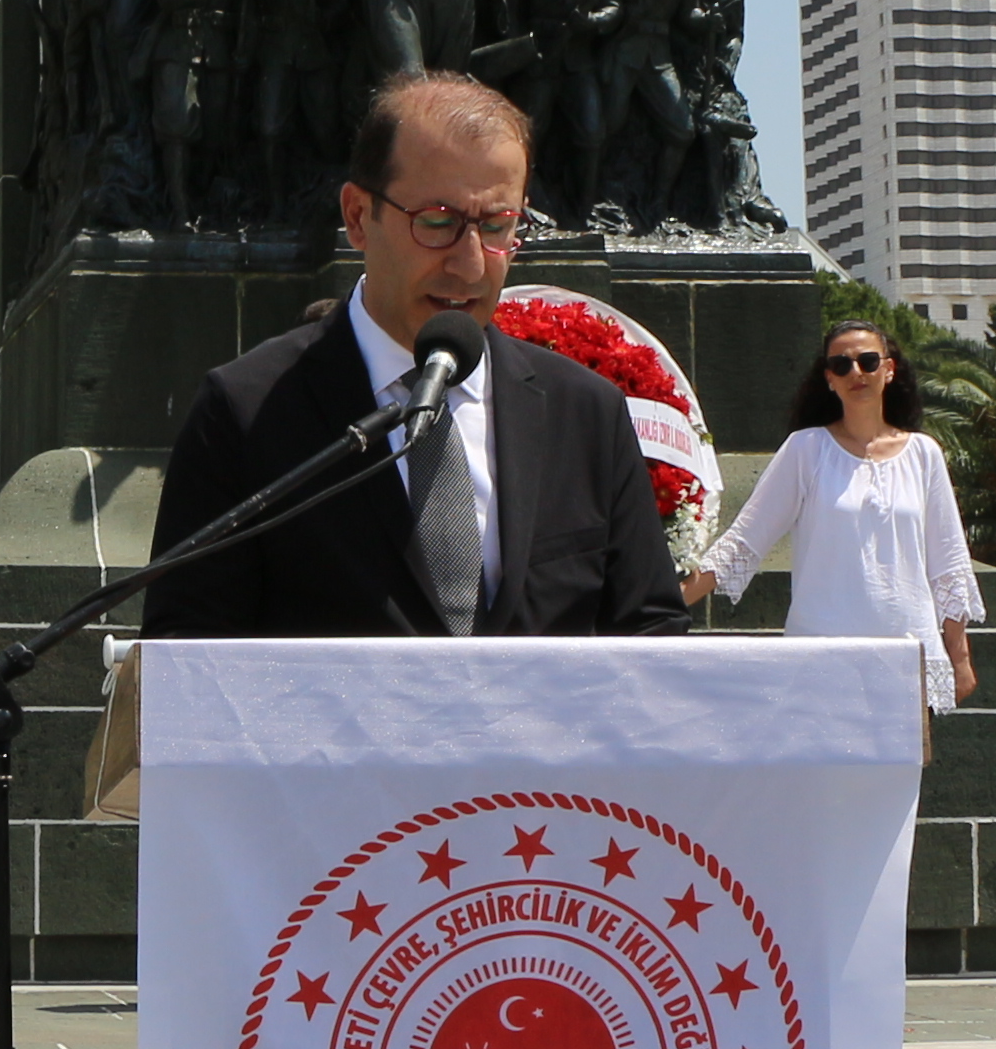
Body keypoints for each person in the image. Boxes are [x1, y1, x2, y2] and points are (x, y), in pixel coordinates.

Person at [84, 71, 684, 814]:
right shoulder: (247, 409)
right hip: (328, 859)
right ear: (358, 216)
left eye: (496, 226)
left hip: (547, 859)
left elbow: (652, 642)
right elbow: (191, 657)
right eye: (437, 221)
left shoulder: (584, 414)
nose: (469, 263)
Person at [685, 320, 977, 714]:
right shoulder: (806, 450)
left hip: (906, 653)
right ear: (829, 379)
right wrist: (663, 605)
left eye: (868, 361)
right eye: (842, 365)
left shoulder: (924, 454)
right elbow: (743, 542)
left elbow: (948, 563)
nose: (856, 372)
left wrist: (959, 658)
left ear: (888, 370)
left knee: (895, 777)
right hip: (821, 656)